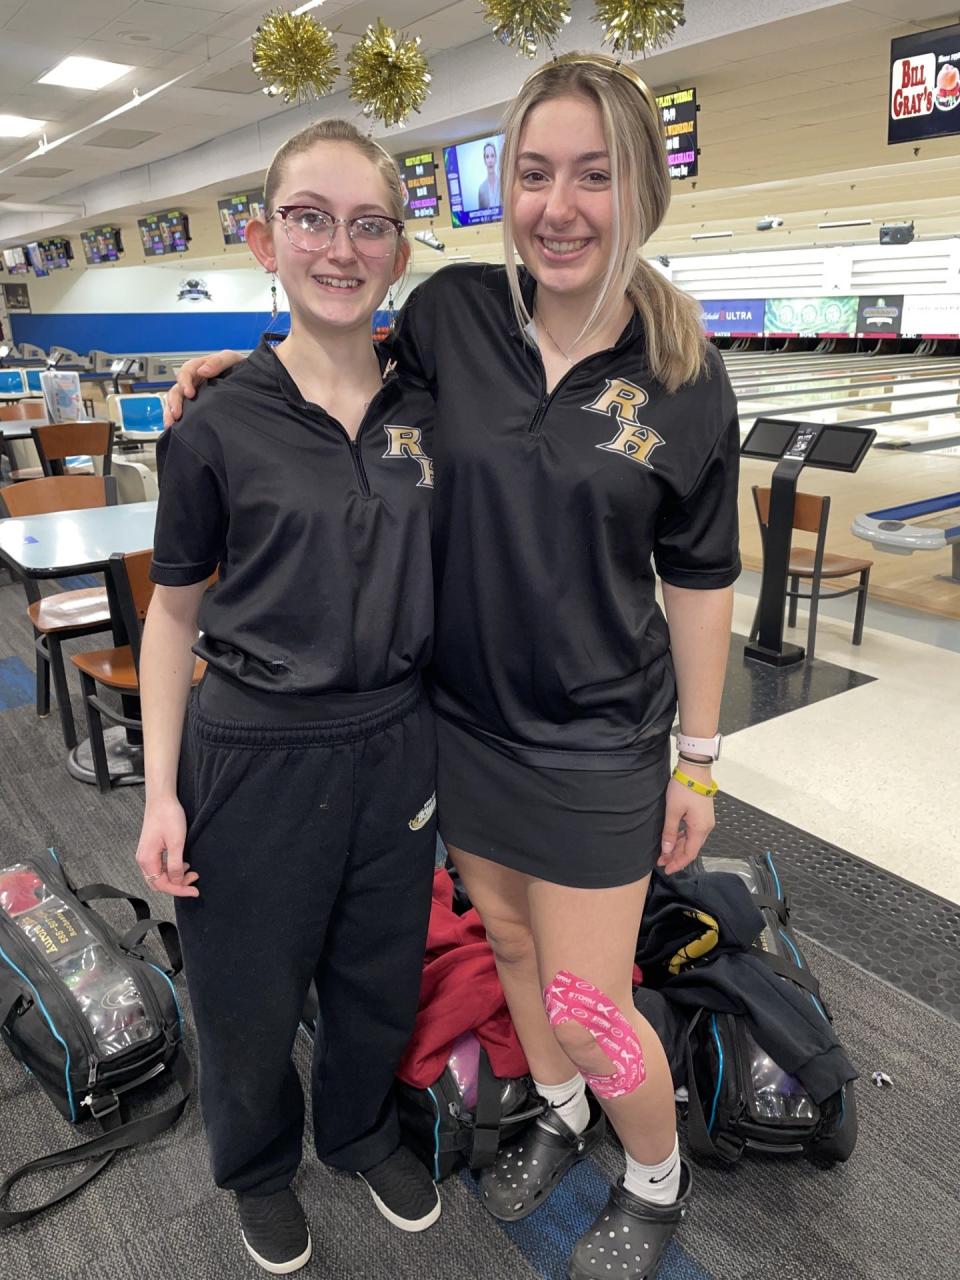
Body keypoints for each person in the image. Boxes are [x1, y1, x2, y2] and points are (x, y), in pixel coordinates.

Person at [167, 52, 740, 1280]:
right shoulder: (456, 317)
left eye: (595, 173)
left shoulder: (687, 375)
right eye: (535, 173)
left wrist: (699, 759)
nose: (560, 203)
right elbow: (348, 382)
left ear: (642, 187)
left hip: (596, 738)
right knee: (518, 952)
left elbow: (699, 583)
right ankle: (561, 1107)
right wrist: (237, 372)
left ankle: (656, 1172)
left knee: (593, 995)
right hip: (460, 721)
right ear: (505, 192)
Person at [135, 119, 442, 1276]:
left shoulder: (432, 407)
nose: (339, 246)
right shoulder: (213, 425)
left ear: (398, 250)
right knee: (247, 988)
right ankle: (258, 1163)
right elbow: (172, 615)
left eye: (369, 223)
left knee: (377, 968)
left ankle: (359, 1126)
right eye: (310, 218)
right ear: (265, 239)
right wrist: (160, 791)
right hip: (253, 749)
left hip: (394, 742)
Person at [477, 139, 501, 209]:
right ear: (484, 160)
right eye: (487, 157)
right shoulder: (481, 189)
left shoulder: (504, 185)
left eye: (492, 156)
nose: (490, 160)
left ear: (496, 158)